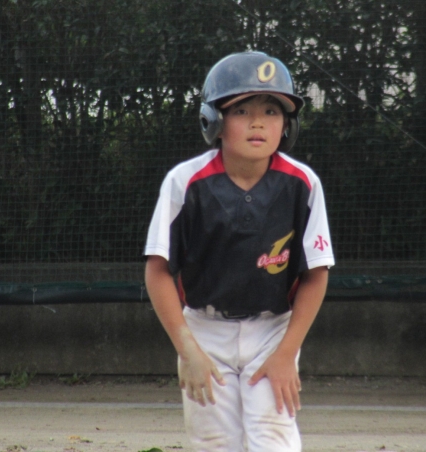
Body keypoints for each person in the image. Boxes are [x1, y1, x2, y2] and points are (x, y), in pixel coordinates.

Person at [143, 51, 335, 452]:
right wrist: (188, 350)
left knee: (274, 440)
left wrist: (287, 354)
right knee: (214, 442)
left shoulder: (302, 183)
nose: (258, 122)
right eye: (242, 110)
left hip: (273, 330)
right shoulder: (185, 182)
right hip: (204, 330)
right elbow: (158, 270)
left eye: (272, 111)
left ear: (288, 125)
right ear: (213, 120)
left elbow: (316, 274)